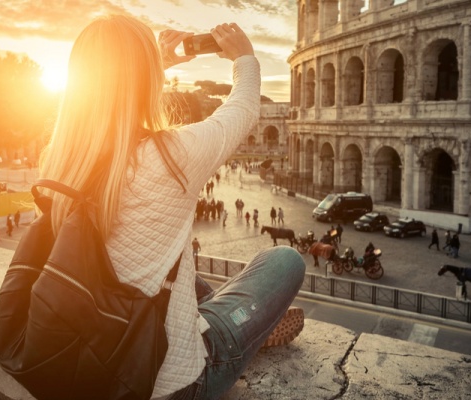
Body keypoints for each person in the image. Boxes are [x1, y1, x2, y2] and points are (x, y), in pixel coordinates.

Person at [35, 15, 304, 399]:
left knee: (175, 267)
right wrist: (245, 57)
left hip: (91, 354)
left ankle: (230, 321)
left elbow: (113, 109)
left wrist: (150, 67)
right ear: (146, 80)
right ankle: (241, 330)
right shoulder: (170, 155)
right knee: (284, 261)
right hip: (177, 383)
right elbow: (242, 111)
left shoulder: (58, 159)